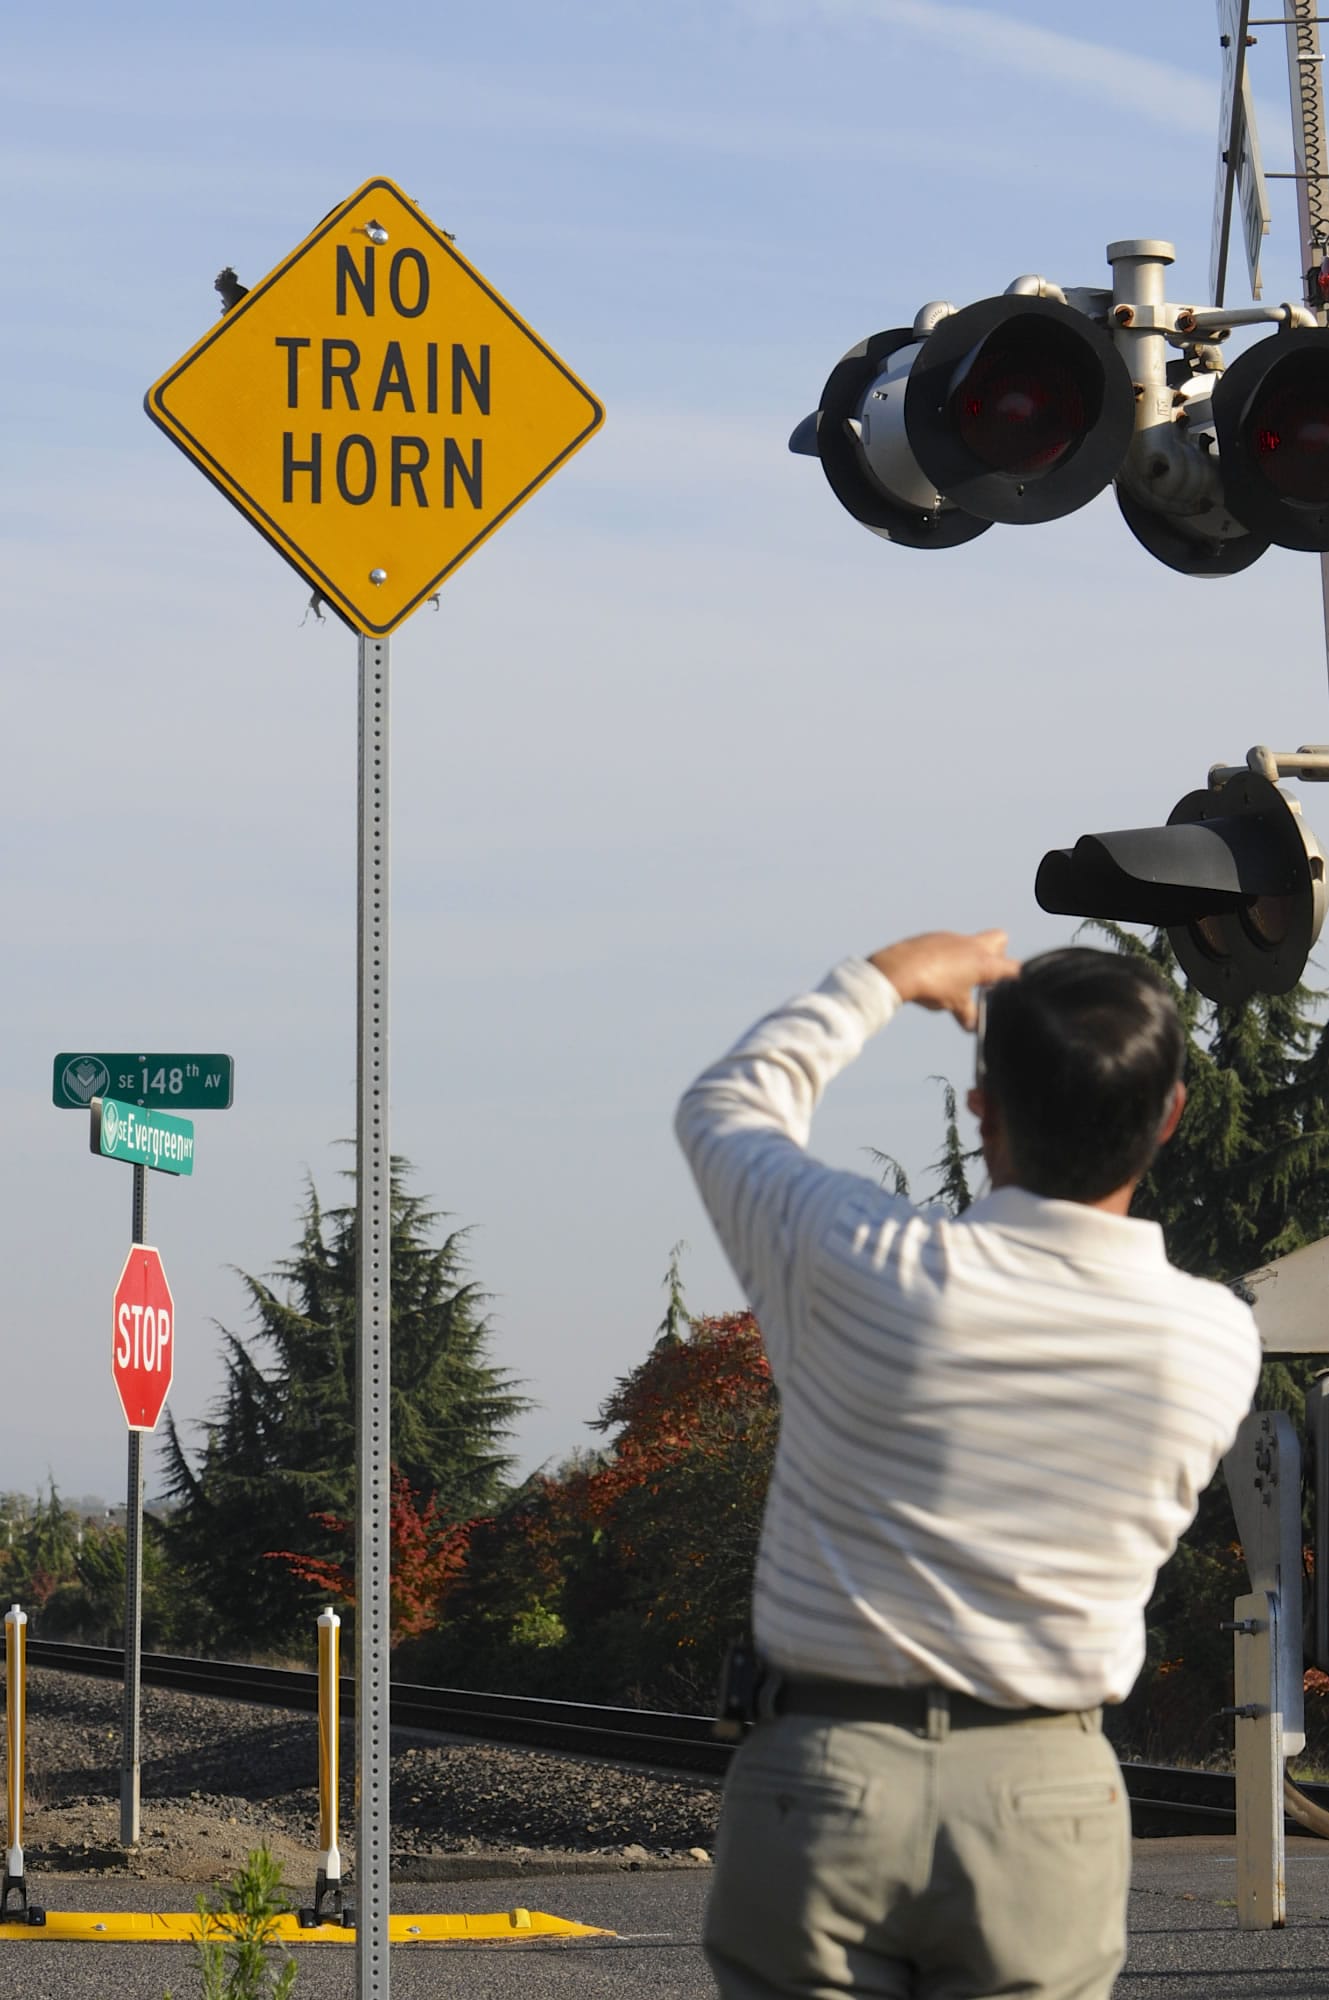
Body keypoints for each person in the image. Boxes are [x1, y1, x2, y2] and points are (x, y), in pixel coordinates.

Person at [675, 930, 1262, 2000]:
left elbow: (728, 1105)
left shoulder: (860, 1257)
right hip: (1047, 1796)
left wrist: (885, 979)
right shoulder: (1213, 1339)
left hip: (822, 1777)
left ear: (980, 1107)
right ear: (1169, 1114)